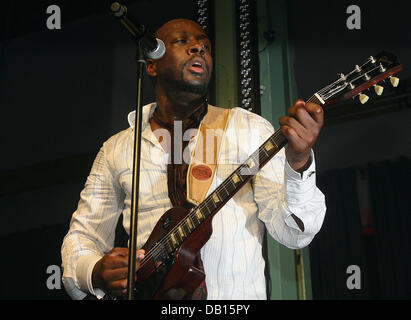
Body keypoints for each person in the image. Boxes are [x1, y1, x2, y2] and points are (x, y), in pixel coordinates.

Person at [61, 18, 326, 300]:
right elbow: (81, 239)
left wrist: (298, 163)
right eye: (182, 41)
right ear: (151, 64)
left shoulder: (248, 129)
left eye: (205, 45)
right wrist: (95, 270)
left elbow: (295, 233)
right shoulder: (117, 149)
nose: (198, 48)